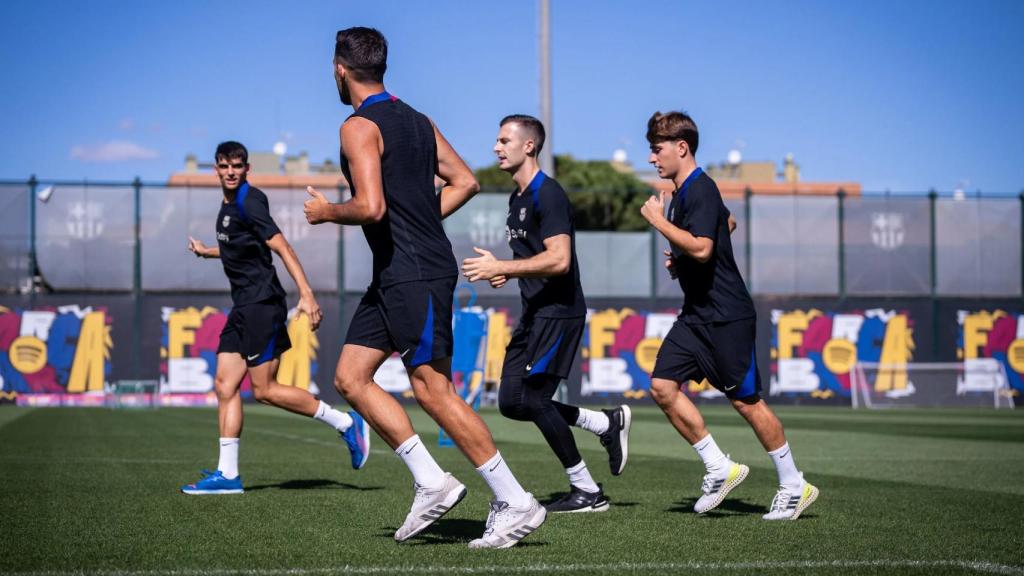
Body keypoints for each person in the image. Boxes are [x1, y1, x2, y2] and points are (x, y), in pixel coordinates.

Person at [303, 27, 544, 548]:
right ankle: (432, 482)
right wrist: (419, 220)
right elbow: (467, 182)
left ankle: (515, 500)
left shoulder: (358, 127)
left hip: (415, 272)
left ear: (339, 68)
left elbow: (370, 207)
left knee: (434, 389)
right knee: (350, 377)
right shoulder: (418, 119)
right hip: (395, 270)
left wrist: (326, 212)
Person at [639, 111, 819, 520]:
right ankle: (720, 467)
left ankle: (794, 484)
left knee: (746, 403)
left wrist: (660, 225)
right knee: (663, 387)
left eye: (657, 149)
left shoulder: (700, 188)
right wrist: (682, 258)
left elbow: (703, 247)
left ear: (681, 147)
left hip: (726, 315)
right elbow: (728, 222)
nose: (652, 158)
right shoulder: (686, 193)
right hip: (697, 316)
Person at [461, 114, 631, 513]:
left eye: (504, 140)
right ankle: (604, 424)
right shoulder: (516, 198)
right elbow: (535, 258)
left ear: (529, 146)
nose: (496, 147)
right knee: (511, 401)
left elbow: (558, 261)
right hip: (535, 312)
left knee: (533, 398)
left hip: (559, 312)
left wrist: (502, 267)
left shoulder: (547, 194)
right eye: (497, 140)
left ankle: (586, 490)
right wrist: (505, 267)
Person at [181, 141, 369, 495]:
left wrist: (307, 294)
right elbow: (237, 244)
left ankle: (346, 423)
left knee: (265, 390)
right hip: (243, 307)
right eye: (224, 166)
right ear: (216, 169)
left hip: (262, 305)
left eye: (237, 166)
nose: (231, 172)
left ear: (246, 169)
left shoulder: (249, 200)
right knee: (224, 385)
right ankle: (228, 475)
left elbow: (282, 247)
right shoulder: (227, 206)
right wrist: (208, 252)